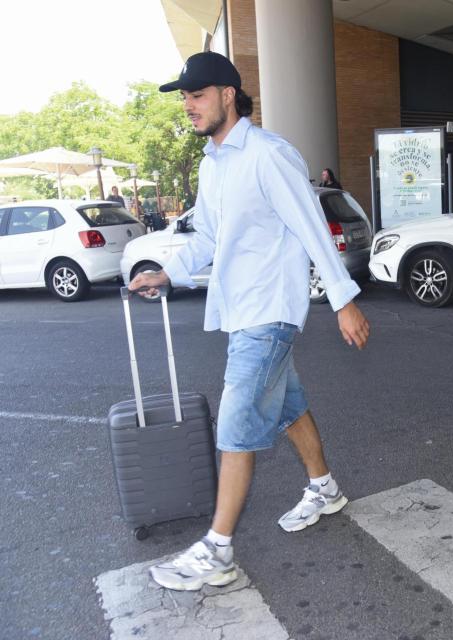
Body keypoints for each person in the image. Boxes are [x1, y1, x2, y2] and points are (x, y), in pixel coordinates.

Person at [129, 51, 370, 592]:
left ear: (227, 95)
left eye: (196, 94)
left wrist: (342, 299)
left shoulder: (268, 154)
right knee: (287, 406)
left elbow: (311, 226)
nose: (187, 105)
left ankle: (218, 551)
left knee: (235, 424)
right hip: (242, 311)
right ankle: (324, 487)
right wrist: (165, 271)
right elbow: (211, 239)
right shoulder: (212, 163)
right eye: (184, 97)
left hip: (270, 312)